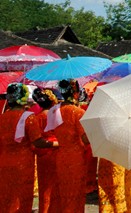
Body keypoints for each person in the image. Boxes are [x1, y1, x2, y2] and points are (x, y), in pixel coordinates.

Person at [0, 83, 57, 213]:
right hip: (23, 164)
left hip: (4, 162)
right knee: (21, 198)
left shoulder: (2, 118)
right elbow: (38, 142)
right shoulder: (28, 117)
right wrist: (56, 144)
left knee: (6, 197)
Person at [48, 79, 91, 212]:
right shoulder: (78, 113)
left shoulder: (54, 111)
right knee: (75, 192)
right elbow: (86, 140)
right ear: (75, 93)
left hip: (60, 155)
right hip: (76, 158)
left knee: (61, 191)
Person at [31, 88, 60, 213]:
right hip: (56, 150)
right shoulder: (57, 116)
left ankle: (44, 209)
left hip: (43, 154)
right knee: (56, 185)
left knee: (44, 186)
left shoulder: (36, 117)